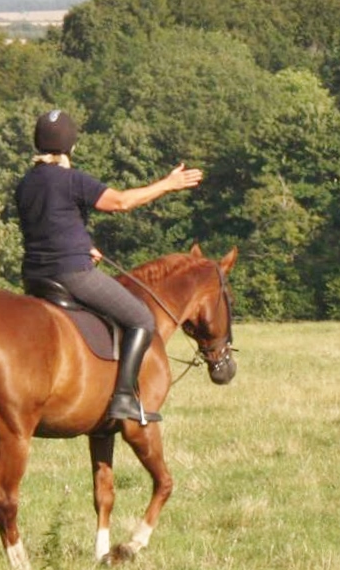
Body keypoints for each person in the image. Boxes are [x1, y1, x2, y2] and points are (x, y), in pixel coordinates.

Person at [14, 109, 202, 427]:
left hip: (35, 278)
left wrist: (84, 246)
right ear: (70, 146)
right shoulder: (72, 179)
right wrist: (168, 184)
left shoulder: (26, 184)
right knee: (142, 318)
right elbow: (121, 202)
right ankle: (125, 398)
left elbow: (50, 223)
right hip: (73, 275)